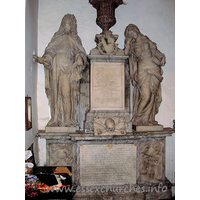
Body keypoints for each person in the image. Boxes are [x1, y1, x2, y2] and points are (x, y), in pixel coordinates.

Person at [33, 14, 87, 127]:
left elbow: (80, 52)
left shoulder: (75, 39)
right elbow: (50, 51)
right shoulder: (57, 37)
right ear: (63, 24)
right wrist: (46, 59)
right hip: (56, 68)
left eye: (71, 23)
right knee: (56, 94)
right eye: (67, 22)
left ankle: (68, 120)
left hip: (69, 70)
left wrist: (79, 58)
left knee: (67, 94)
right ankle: (56, 119)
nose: (69, 25)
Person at [124, 24, 166, 125]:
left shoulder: (146, 39)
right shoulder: (132, 45)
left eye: (132, 31)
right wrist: (128, 43)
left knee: (152, 95)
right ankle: (137, 118)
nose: (132, 34)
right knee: (145, 96)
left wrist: (161, 57)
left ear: (136, 30)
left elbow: (155, 51)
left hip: (154, 66)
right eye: (129, 34)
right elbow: (125, 54)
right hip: (142, 69)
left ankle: (146, 118)